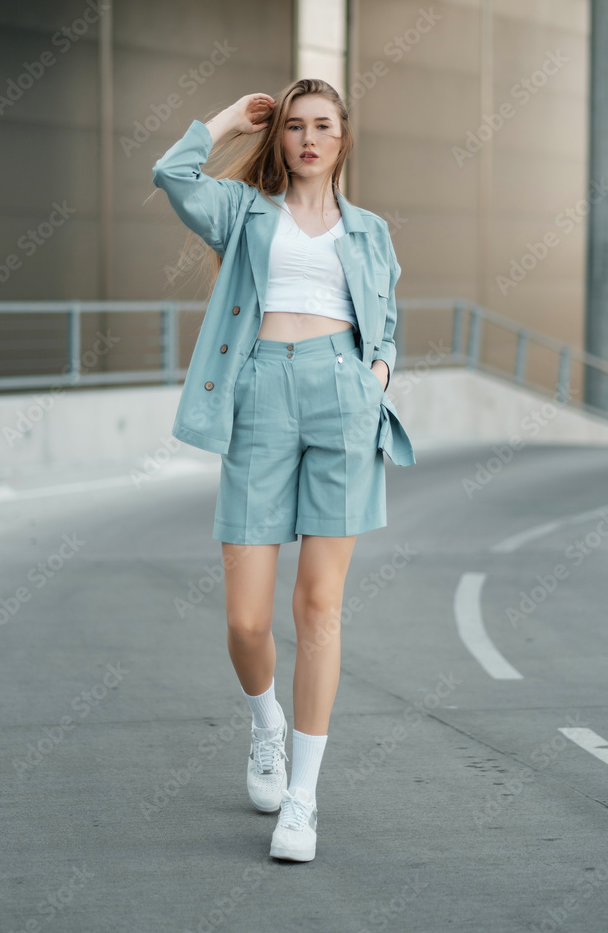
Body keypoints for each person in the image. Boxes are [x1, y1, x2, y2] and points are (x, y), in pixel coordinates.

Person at [152, 79, 415, 863]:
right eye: (294, 126)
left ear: (342, 139)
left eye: (321, 126)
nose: (306, 137)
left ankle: (300, 799)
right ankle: (264, 722)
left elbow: (387, 322)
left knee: (320, 607)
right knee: (246, 621)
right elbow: (172, 174)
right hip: (258, 389)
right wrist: (234, 117)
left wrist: (375, 375)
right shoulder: (242, 212)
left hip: (341, 395)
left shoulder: (369, 230)